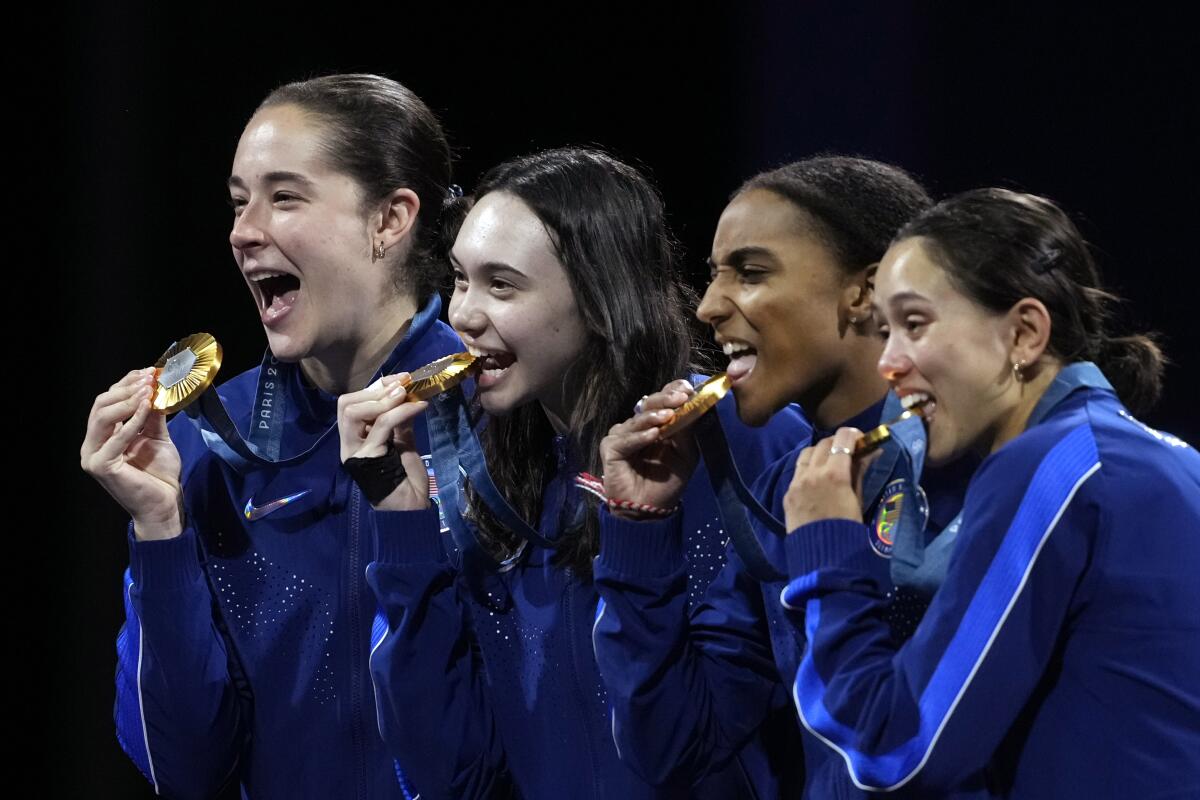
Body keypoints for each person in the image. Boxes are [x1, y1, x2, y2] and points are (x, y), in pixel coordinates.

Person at [340, 147, 809, 799]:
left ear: (599, 296)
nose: (463, 316)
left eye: (501, 285)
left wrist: (642, 531)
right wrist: (401, 527)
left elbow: (682, 749)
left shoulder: (741, 438)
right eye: (461, 280)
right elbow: (451, 774)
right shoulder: (477, 467)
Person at [80, 74, 461, 799]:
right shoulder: (203, 445)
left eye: (284, 197)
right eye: (238, 202)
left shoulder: (496, 415)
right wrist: (159, 531)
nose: (244, 230)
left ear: (390, 219)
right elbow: (184, 770)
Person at [782, 188, 1200, 798]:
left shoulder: (1051, 466)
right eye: (884, 331)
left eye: (915, 323)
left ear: (1024, 333)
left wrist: (826, 553)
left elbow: (898, 749)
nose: (888, 364)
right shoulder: (1171, 459)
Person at [594, 157, 985, 798]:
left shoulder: (973, 466)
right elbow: (675, 746)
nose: (708, 307)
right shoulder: (784, 492)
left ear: (865, 291)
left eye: (749, 273)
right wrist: (641, 528)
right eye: (716, 275)